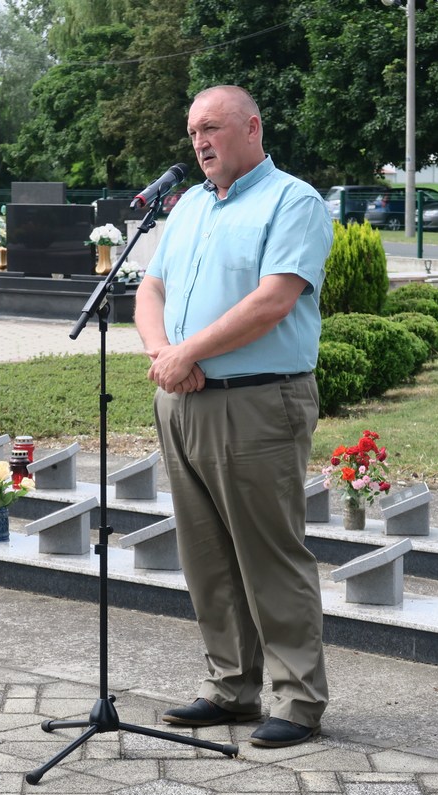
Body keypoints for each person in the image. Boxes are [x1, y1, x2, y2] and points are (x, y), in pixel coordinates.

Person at [134, 85, 332, 748]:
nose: (200, 142)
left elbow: (273, 301)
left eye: (212, 128)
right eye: (193, 132)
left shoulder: (293, 201)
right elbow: (150, 287)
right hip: (183, 399)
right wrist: (165, 355)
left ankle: (298, 700)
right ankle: (231, 688)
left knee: (269, 554)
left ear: (252, 126)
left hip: (257, 401)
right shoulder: (189, 205)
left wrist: (188, 351)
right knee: (207, 558)